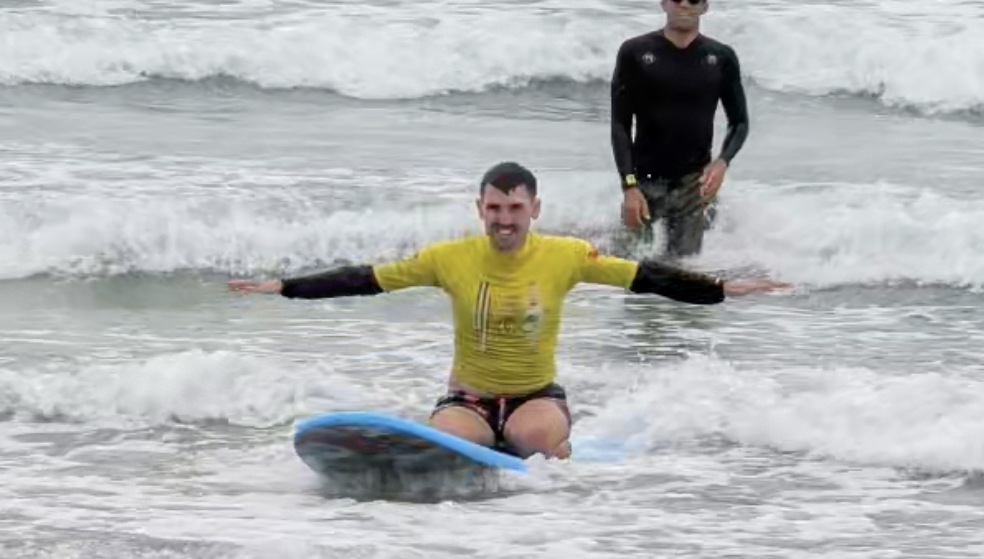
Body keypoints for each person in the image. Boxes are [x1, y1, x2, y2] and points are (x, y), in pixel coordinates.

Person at [229, 161, 781, 459]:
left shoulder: (566, 255)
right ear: (480, 209)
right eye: (494, 207)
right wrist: (284, 287)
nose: (504, 219)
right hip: (467, 400)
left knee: (534, 441)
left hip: (534, 398)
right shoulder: (449, 259)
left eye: (515, 207)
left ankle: (548, 460)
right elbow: (368, 280)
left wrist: (718, 290)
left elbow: (643, 277)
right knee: (446, 446)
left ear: (534, 208)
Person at [610, 0, 749, 258]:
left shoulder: (721, 57)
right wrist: (629, 187)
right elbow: (620, 124)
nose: (684, 4)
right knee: (622, 267)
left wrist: (722, 162)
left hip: (692, 185)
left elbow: (739, 122)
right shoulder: (635, 52)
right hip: (644, 180)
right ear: (664, 2)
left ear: (705, 6)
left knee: (682, 274)